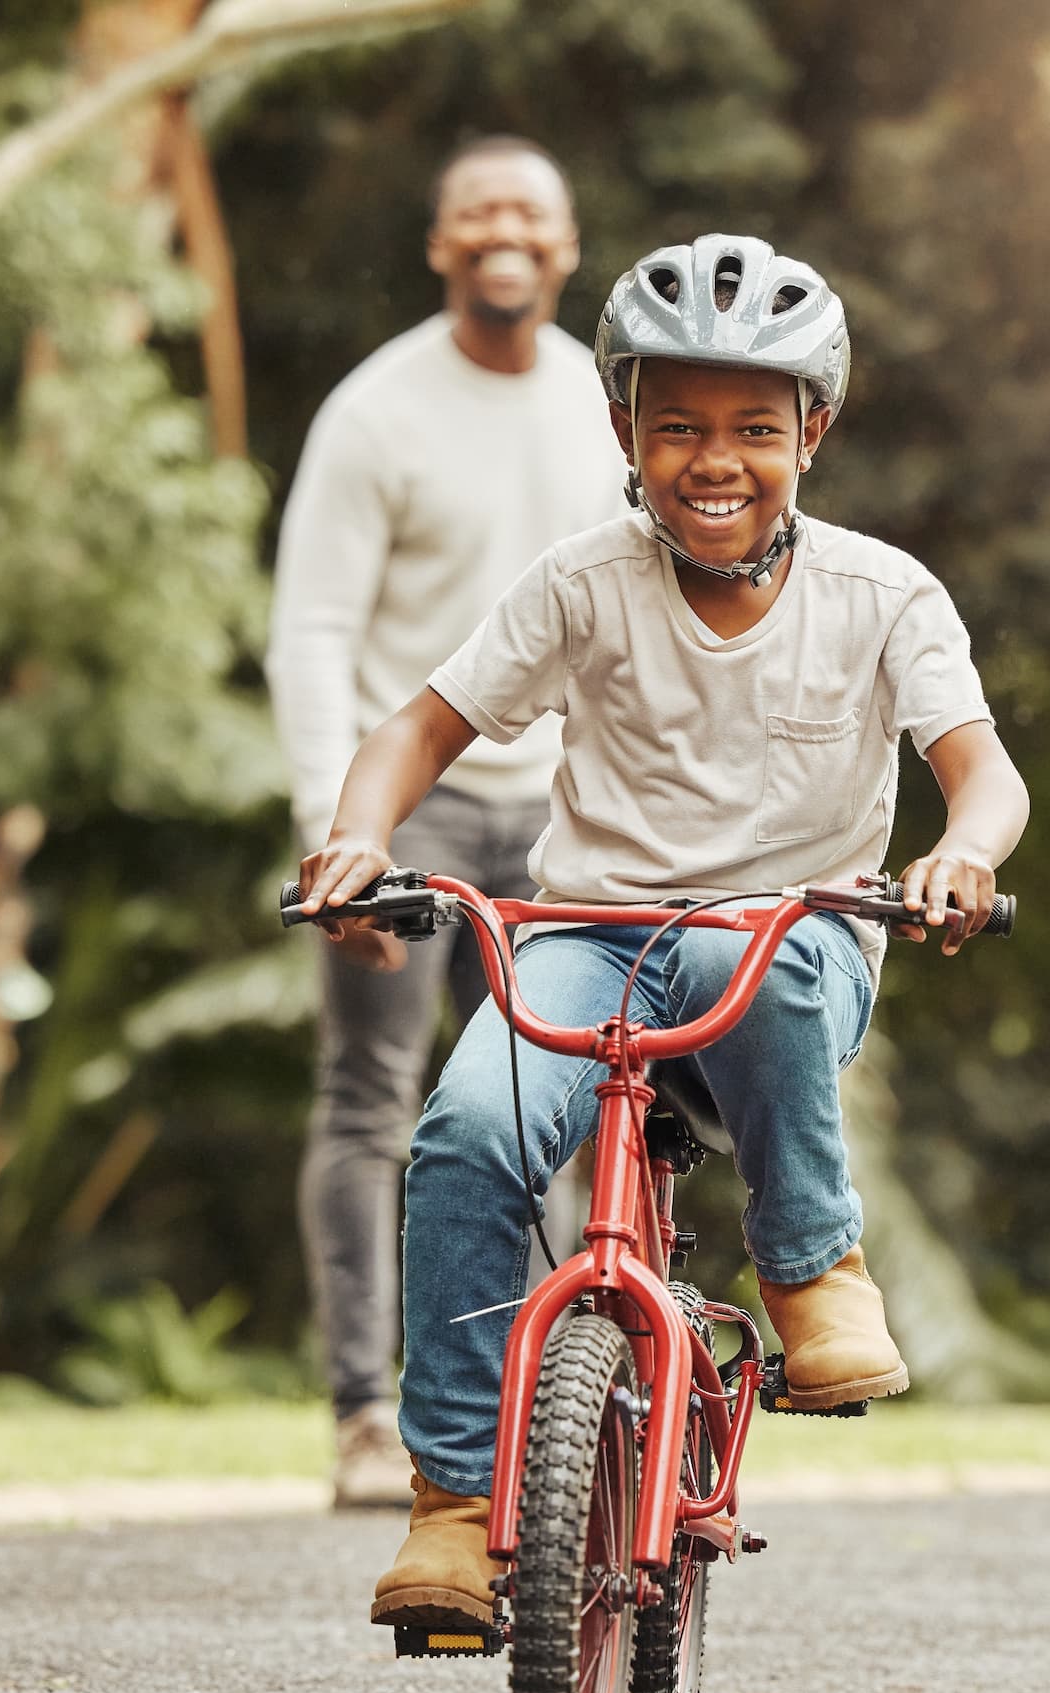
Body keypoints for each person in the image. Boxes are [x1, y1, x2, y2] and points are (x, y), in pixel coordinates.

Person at [294, 234, 1032, 1633]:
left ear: (813, 432)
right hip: (586, 937)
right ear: (622, 428)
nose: (716, 460)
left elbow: (981, 767)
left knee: (735, 956)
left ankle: (810, 1264)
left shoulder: (885, 596)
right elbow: (422, 726)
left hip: (787, 948)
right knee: (462, 1134)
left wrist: (960, 854)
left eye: (756, 427)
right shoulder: (580, 583)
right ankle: (452, 1503)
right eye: (677, 424)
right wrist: (360, 836)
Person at [265, 137, 619, 1509]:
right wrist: (331, 825)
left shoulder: (606, 402)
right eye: (476, 211)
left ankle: (539, 1411)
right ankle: (366, 1413)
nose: (502, 230)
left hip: (560, 820)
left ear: (568, 240)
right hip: (405, 803)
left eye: (529, 209)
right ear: (440, 243)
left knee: (554, 1102)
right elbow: (313, 631)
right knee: (371, 1099)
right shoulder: (378, 412)